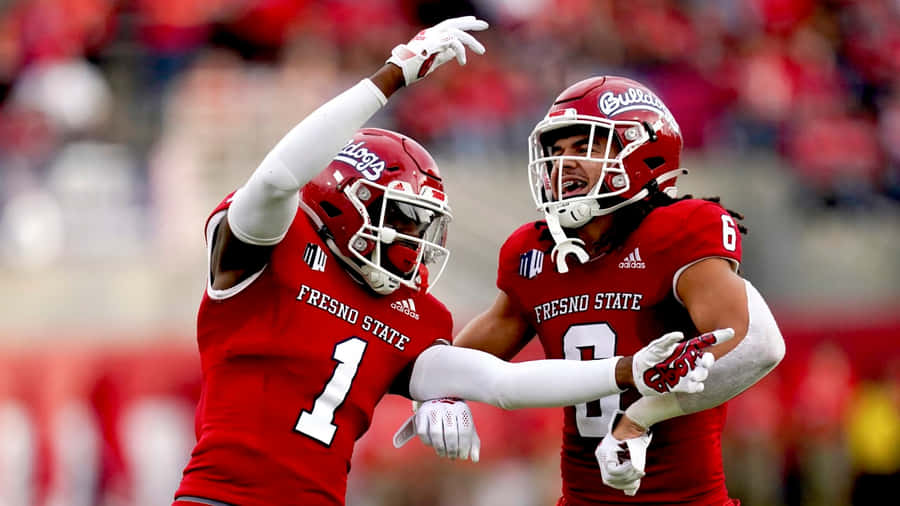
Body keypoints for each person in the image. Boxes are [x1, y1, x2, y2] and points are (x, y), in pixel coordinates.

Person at [171, 19, 729, 506]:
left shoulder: (410, 314)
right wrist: (393, 75)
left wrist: (629, 370)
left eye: (422, 225)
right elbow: (274, 179)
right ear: (347, 200)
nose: (415, 242)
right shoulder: (271, 253)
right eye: (404, 219)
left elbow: (501, 381)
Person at [440, 76, 786, 505]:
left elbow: (754, 345)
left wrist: (640, 418)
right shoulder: (533, 253)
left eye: (584, 146)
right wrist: (437, 394)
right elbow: (466, 358)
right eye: (556, 151)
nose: (563, 164)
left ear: (641, 150)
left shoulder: (679, 230)